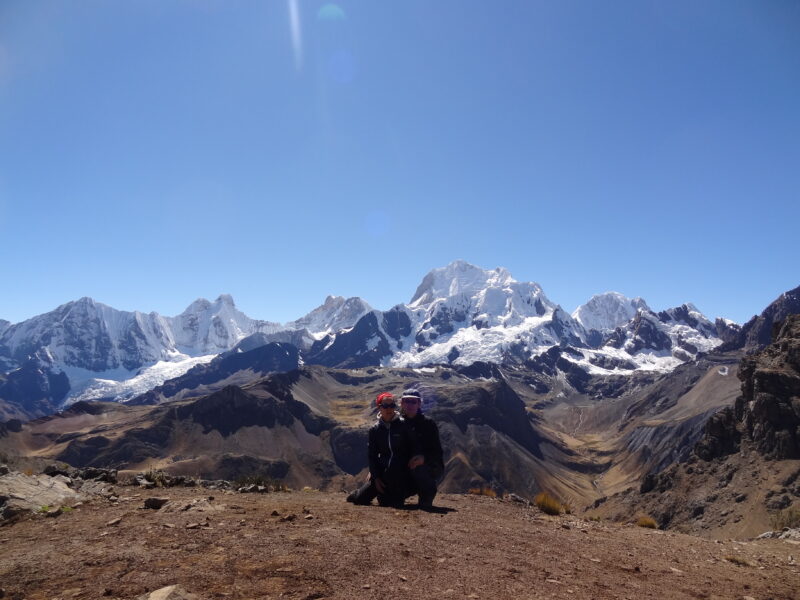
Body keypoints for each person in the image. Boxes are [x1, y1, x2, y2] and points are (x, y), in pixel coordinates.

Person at [346, 392, 418, 507]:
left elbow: (414, 447)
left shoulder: (404, 426)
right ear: (379, 407)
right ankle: (358, 493)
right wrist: (375, 476)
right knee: (359, 499)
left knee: (391, 503)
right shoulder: (375, 430)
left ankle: (399, 492)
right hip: (383, 473)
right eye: (385, 406)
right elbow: (372, 455)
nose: (389, 409)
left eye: (392, 405)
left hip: (401, 473)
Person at [400, 389, 444, 508]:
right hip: (405, 467)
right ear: (401, 403)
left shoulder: (428, 424)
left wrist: (423, 458)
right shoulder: (398, 423)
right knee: (389, 500)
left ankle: (427, 492)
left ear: (419, 404)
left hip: (427, 467)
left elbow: (437, 452)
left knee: (419, 469)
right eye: (407, 401)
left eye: (413, 402)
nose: (409, 405)